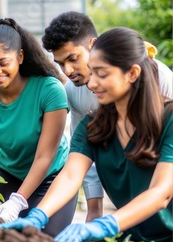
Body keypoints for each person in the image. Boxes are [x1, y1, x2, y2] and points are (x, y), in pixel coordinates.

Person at [3, 27, 173, 242]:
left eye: (102, 74)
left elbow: (161, 192)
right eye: (92, 73)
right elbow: (71, 175)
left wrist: (106, 223)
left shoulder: (168, 119)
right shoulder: (93, 126)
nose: (92, 84)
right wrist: (38, 215)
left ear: (132, 73)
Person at [42, 11, 173, 222]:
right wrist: (94, 210)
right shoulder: (78, 100)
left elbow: (164, 185)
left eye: (73, 59)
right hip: (126, 204)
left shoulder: (162, 80)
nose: (67, 70)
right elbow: (79, 164)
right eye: (60, 64)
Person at [0, 18, 77, 237]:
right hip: (9, 175)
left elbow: (45, 156)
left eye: (3, 62)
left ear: (20, 57)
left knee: (42, 239)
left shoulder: (49, 90)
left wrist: (17, 201)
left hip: (51, 176)